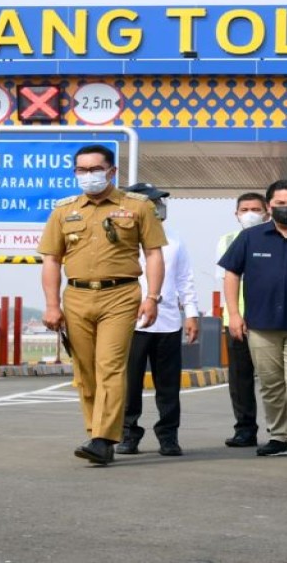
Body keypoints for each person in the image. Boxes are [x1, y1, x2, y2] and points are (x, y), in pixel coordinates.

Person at [38, 144, 166, 467]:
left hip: (120, 295)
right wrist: (52, 305)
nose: (88, 175)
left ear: (111, 172)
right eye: (81, 170)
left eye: (95, 169)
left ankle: (102, 438)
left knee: (110, 364)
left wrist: (152, 298)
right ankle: (98, 433)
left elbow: (153, 253)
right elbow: (51, 259)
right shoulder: (63, 211)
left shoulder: (137, 207)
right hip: (76, 296)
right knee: (85, 369)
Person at [220, 180, 287, 462]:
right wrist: (234, 314)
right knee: (271, 383)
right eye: (280, 203)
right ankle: (279, 437)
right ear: (270, 206)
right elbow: (232, 274)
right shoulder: (250, 238)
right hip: (261, 323)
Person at [116, 182, 200, 458]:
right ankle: (128, 434)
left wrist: (191, 313)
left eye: (160, 202)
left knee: (168, 385)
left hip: (167, 323)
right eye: (152, 203)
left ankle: (168, 436)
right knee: (129, 384)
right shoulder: (119, 234)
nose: (159, 207)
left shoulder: (174, 238)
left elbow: (184, 278)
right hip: (130, 323)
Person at [214, 192, 270, 448]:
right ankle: (245, 429)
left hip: (270, 320)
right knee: (240, 378)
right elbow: (227, 279)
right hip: (237, 320)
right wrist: (235, 315)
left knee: (275, 379)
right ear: (236, 214)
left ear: (266, 212)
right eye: (244, 209)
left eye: (255, 209)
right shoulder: (227, 240)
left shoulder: (278, 237)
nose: (250, 214)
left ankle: (283, 430)